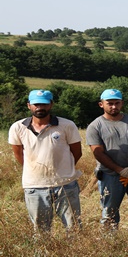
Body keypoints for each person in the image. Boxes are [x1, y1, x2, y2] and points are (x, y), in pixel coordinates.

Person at [86, 89, 128, 243]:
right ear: (101, 104)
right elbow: (98, 153)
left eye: (117, 103)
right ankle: (110, 242)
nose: (113, 106)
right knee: (110, 210)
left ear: (122, 103)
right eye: (109, 103)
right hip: (109, 176)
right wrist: (120, 170)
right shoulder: (95, 126)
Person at [8, 90, 83, 232]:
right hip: (34, 186)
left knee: (74, 229)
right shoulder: (18, 127)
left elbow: (77, 153)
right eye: (36, 104)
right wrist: (35, 169)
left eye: (44, 104)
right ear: (29, 105)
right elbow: (18, 154)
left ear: (51, 105)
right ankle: (44, 255)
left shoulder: (67, 125)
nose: (40, 107)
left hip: (65, 184)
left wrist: (63, 169)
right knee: (40, 231)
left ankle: (74, 254)